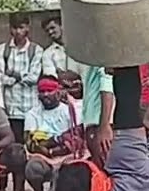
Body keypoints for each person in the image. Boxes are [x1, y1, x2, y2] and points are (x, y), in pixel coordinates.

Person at [41, 15, 115, 161]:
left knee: (105, 167)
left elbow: (107, 86)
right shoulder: (82, 54)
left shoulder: (97, 54)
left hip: (98, 121)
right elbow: (60, 78)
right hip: (90, 118)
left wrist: (104, 125)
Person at [0, 12, 43, 143]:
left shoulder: (36, 50)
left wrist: (13, 74)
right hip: (9, 109)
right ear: (10, 28)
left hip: (30, 109)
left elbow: (33, 78)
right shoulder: (2, 49)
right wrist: (20, 77)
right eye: (15, 28)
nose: (18, 31)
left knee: (30, 146)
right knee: (12, 148)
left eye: (21, 27)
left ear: (27, 27)